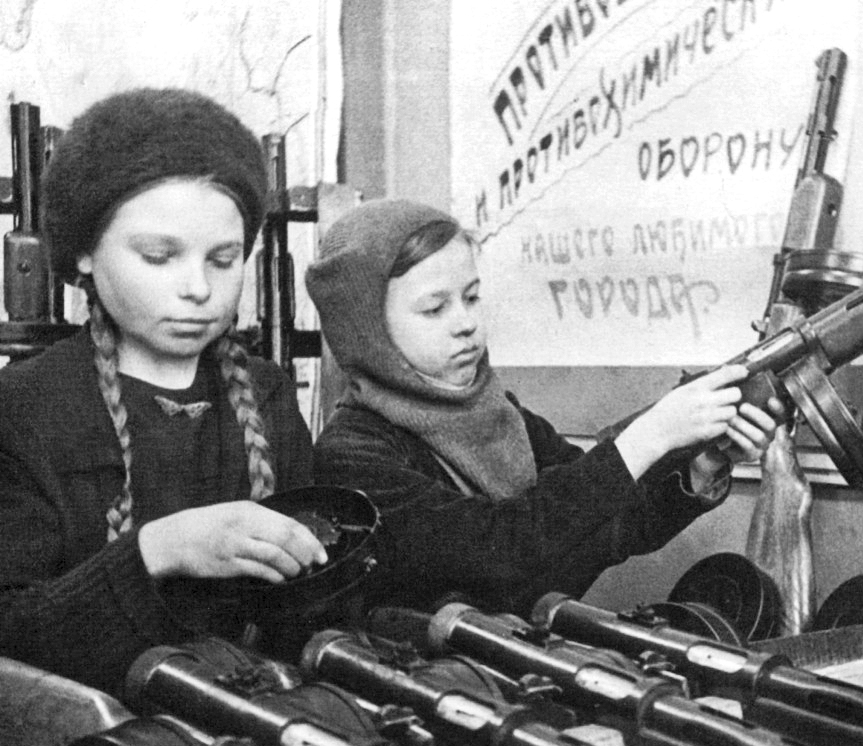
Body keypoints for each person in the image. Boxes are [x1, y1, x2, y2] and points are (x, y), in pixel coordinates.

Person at [306, 199, 780, 620]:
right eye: (435, 309)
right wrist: (649, 437)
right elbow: (500, 552)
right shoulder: (353, 454)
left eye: (472, 297)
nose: (466, 324)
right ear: (367, 330)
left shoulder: (501, 413)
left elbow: (614, 524)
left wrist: (703, 461)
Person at [0, 88, 327, 696]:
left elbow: (311, 609)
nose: (197, 288)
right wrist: (159, 549)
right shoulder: (23, 409)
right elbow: (11, 636)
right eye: (159, 256)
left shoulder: (267, 395)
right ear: (85, 255)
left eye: (224, 260)